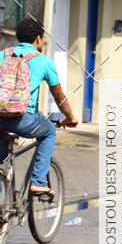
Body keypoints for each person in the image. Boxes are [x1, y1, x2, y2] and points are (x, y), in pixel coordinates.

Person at [0, 16, 78, 195]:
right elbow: (60, 98)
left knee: (1, 162)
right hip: (22, 119)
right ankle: (38, 181)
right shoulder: (43, 61)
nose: (43, 42)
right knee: (49, 130)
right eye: (43, 39)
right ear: (37, 39)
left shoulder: (3, 55)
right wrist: (70, 117)